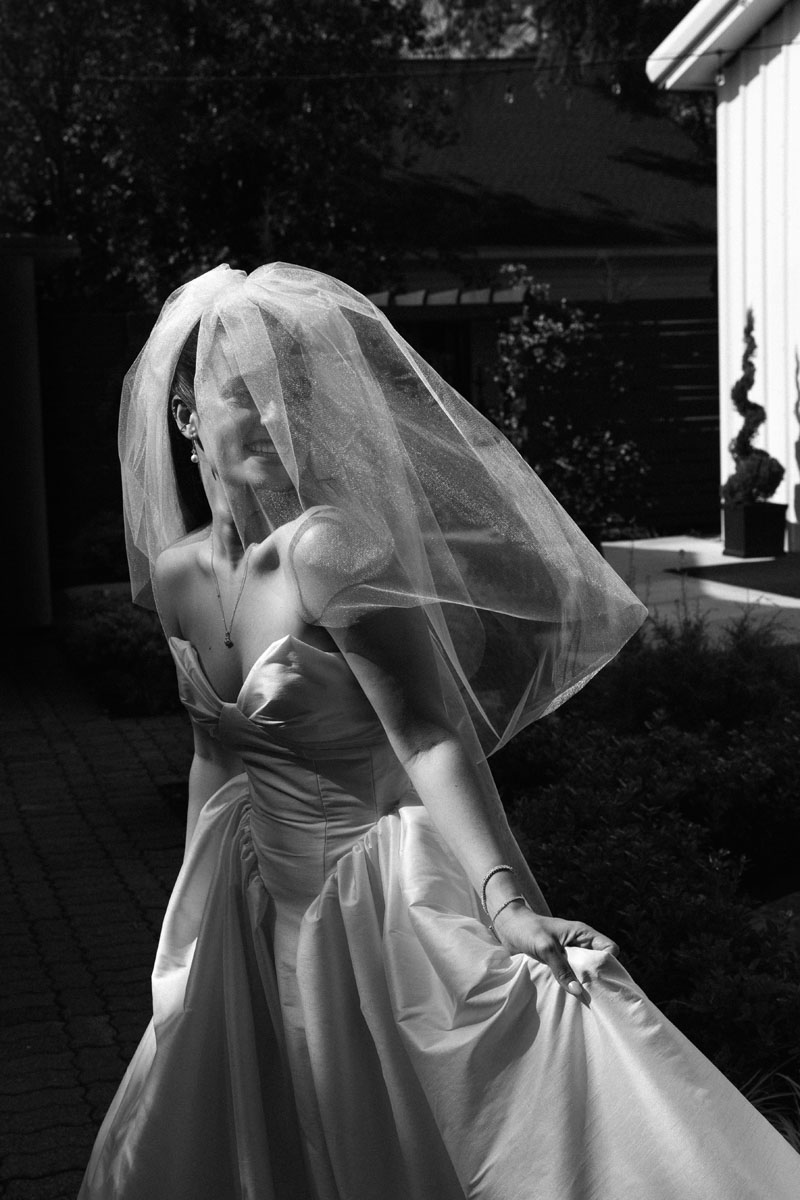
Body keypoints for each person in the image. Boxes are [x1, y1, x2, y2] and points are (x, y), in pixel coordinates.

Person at [80, 264, 800, 1200]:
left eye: (286, 393)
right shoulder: (177, 576)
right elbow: (215, 751)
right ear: (186, 418)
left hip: (368, 901)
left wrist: (505, 903)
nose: (271, 415)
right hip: (253, 898)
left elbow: (426, 734)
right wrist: (192, 925)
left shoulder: (330, 547)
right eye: (243, 395)